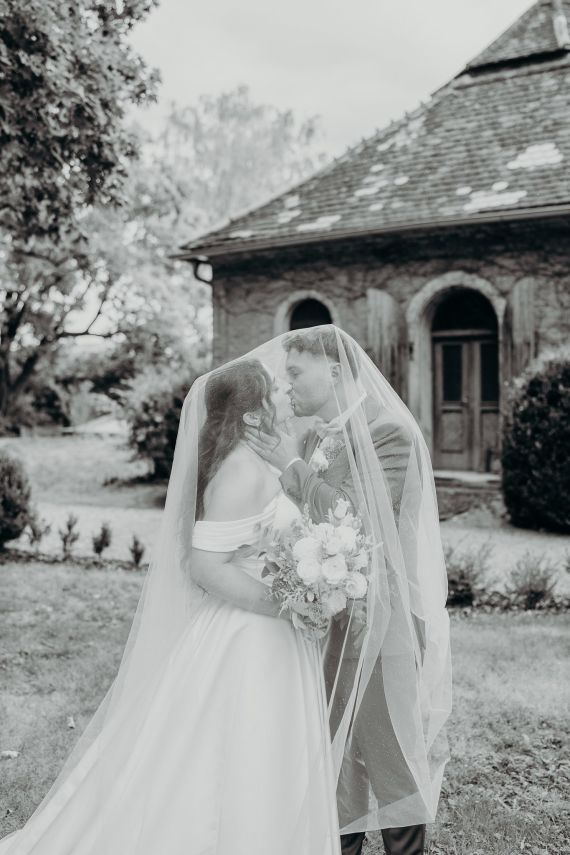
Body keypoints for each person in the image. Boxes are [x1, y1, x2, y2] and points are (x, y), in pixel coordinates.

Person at [0, 357, 342, 855]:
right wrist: (288, 605)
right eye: (276, 391)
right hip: (248, 637)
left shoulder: (259, 460)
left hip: (271, 634)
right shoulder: (240, 470)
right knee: (235, 753)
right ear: (251, 415)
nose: (286, 395)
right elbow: (204, 567)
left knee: (267, 756)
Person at [245, 326, 452, 855]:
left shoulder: (391, 433)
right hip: (325, 614)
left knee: (387, 750)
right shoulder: (315, 436)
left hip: (384, 622)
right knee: (330, 746)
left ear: (334, 371)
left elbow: (357, 520)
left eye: (295, 373)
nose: (287, 386)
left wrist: (288, 466)